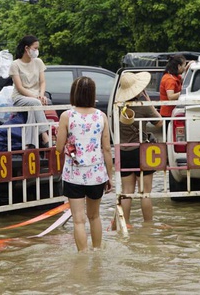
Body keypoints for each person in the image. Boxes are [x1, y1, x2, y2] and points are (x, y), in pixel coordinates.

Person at [55, 77, 114, 252]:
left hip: (74, 175)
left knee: (78, 220)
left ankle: (83, 256)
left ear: (74, 93)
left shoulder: (67, 116)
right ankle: (97, 252)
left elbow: (58, 148)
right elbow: (107, 150)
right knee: (95, 217)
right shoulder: (100, 116)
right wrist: (109, 176)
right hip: (97, 174)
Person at [115, 71, 163, 225]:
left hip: (124, 151)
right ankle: (148, 226)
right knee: (145, 193)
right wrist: (149, 103)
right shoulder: (143, 106)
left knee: (127, 192)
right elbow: (159, 122)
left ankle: (125, 224)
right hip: (141, 151)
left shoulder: (117, 107)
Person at [9, 35, 51, 148]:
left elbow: (42, 82)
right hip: (20, 97)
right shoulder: (15, 64)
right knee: (36, 103)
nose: (37, 51)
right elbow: (20, 88)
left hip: (35, 97)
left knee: (33, 108)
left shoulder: (38, 62)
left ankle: (29, 143)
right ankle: (45, 135)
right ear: (26, 48)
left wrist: (41, 95)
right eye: (35, 48)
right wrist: (36, 97)